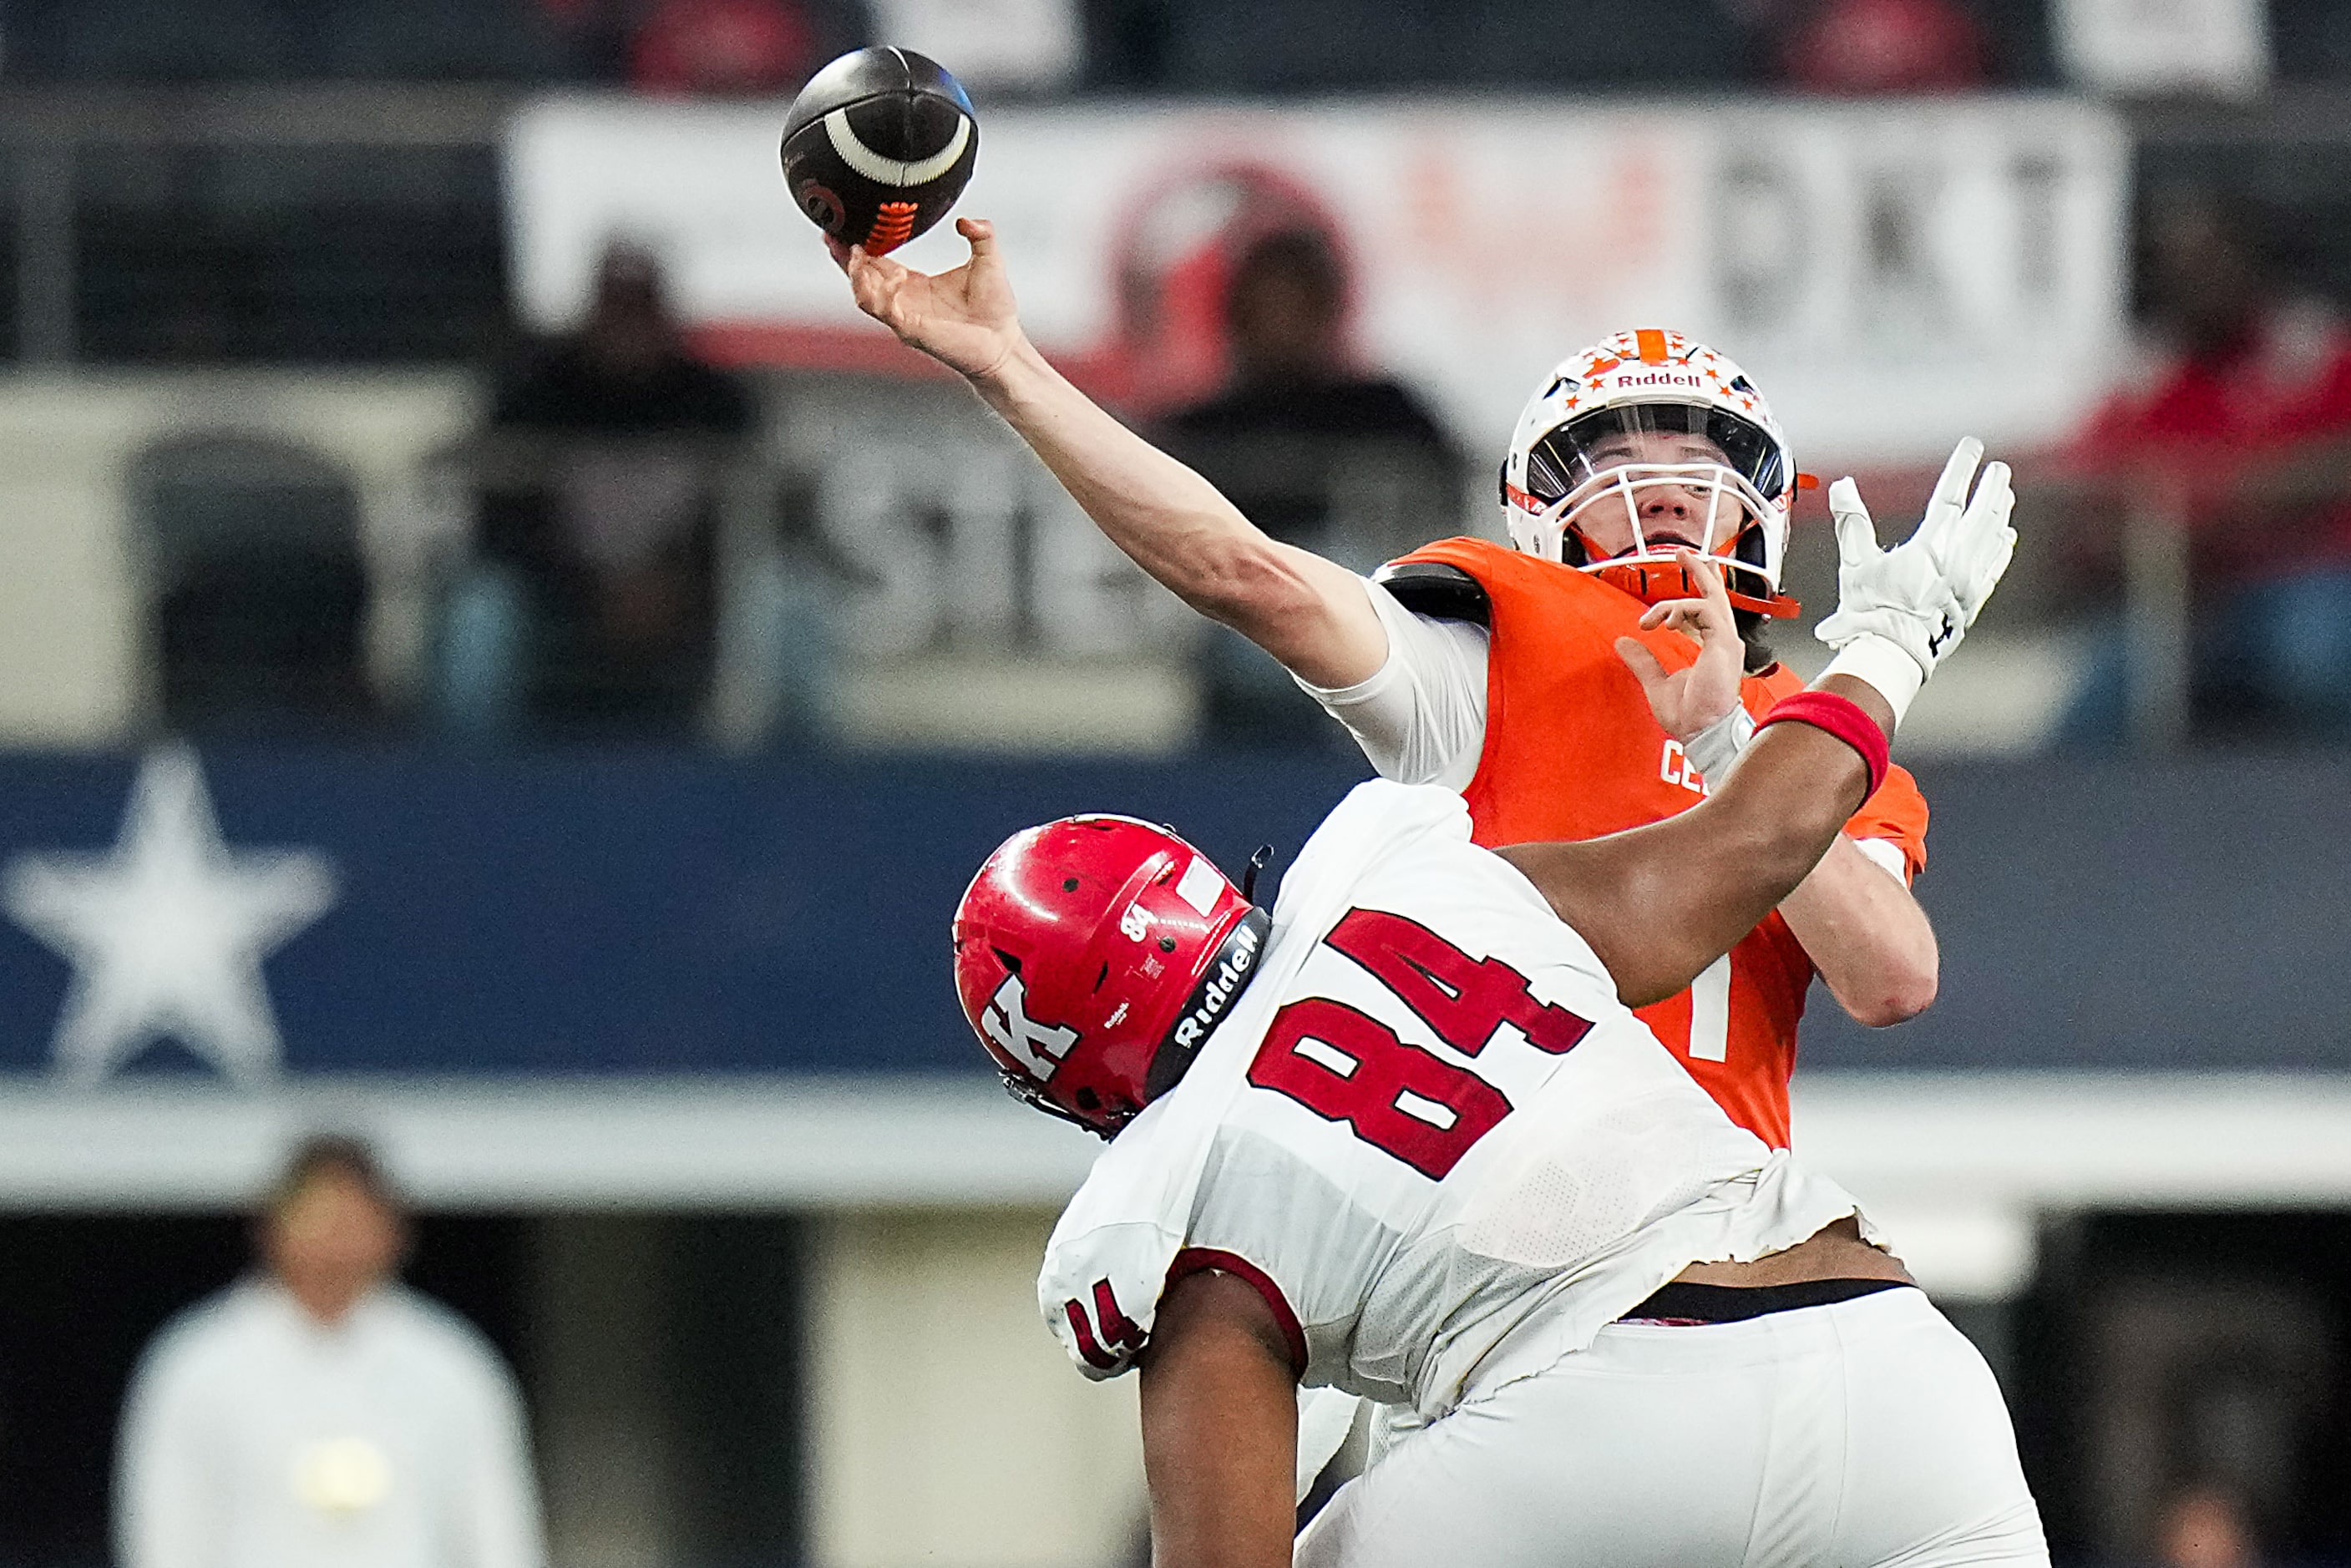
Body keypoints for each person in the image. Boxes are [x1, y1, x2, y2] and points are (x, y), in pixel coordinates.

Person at [950, 497, 2034, 1564]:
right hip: (1893, 1375)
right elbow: (1750, 841)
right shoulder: (1414, 881)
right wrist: (1887, 646)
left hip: (1602, 1430)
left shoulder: (1180, 1223)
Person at [837, 221, 1957, 1154]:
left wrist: (1729, 746)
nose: (1663, 485)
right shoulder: (1491, 648)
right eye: (1615, 460)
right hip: (1488, 1229)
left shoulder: (1819, 745)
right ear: (1537, 506)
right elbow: (1242, 572)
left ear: (1759, 505)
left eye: (1701, 458)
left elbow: (1889, 978)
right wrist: (1008, 366)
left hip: (1717, 1236)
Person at [115, 1136, 545, 1568]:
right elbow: (166, 1534)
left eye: (354, 1217)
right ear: (271, 1227)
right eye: (318, 1215)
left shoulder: (451, 1365)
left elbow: (498, 1536)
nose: (336, 1237)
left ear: (393, 1231)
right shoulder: (199, 1364)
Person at [2058, 189, 2351, 744]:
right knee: (2103, 689)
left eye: (2212, 260)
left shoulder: (2315, 353)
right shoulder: (2147, 379)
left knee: (2311, 650)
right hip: (2190, 598)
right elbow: (2090, 502)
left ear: (2249, 263)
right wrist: (2132, 538)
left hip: (2311, 579)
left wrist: (2264, 495)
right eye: (2180, 267)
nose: (2198, 281)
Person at [1160, 226, 1462, 747]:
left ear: (1328, 308)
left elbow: (1444, 521)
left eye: (1296, 301)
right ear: (1236, 314)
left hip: (1370, 625)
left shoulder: (1390, 412)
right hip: (1236, 629)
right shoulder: (1200, 426)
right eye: (1266, 304)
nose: (1281, 320)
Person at [442, 240, 757, 737]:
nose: (626, 329)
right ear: (592, 310)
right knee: (482, 614)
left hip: (687, 610)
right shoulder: (534, 395)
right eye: (616, 309)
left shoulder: (716, 403)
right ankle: (463, 789)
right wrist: (590, 589)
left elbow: (751, 523)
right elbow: (499, 522)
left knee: (781, 605)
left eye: (639, 311)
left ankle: (788, 792)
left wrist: (675, 585)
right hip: (555, 606)